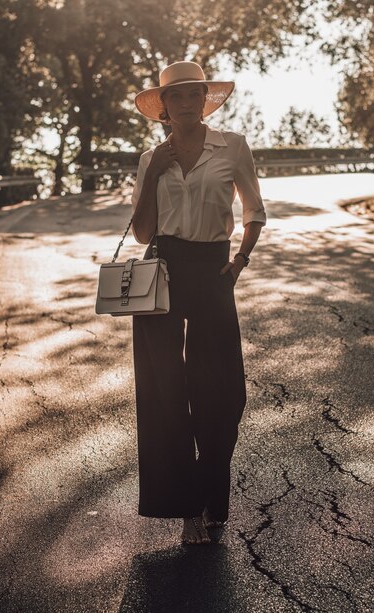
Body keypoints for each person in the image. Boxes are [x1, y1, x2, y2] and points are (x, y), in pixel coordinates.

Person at [131, 61, 266, 545]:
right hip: (162, 268)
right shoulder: (151, 157)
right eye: (177, 96)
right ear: (163, 106)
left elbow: (254, 210)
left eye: (195, 94)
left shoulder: (231, 146)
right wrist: (154, 176)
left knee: (219, 388)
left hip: (213, 270)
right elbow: (143, 231)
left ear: (205, 98)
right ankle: (183, 507)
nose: (186, 103)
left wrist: (240, 261)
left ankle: (212, 497)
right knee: (163, 389)